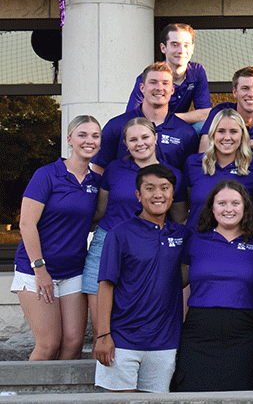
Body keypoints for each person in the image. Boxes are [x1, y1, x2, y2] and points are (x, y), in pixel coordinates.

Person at [84, 118, 187, 338]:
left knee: (135, 320)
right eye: (133, 139)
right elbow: (100, 211)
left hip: (146, 251)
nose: (140, 143)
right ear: (126, 144)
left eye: (145, 137)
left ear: (155, 138)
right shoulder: (114, 168)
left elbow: (178, 220)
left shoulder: (173, 175)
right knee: (102, 330)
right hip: (105, 245)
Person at [93, 164, 189, 393]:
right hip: (123, 340)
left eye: (164, 188)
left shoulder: (182, 236)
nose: (158, 194)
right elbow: (106, 286)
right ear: (138, 195)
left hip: (164, 342)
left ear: (172, 194)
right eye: (150, 188)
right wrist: (103, 335)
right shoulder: (119, 234)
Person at [11, 115, 101, 361]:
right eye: (82, 135)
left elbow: (97, 218)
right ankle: (27, 399)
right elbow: (26, 223)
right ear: (70, 139)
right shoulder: (48, 174)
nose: (89, 141)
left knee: (73, 343)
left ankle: (60, 398)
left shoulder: (96, 182)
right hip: (36, 268)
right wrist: (40, 269)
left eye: (95, 136)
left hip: (73, 270)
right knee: (49, 344)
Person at [173, 180, 253, 392]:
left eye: (235, 203)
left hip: (244, 331)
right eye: (222, 203)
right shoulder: (195, 240)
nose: (228, 209)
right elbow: (179, 281)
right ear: (212, 207)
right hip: (200, 330)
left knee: (241, 393)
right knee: (193, 392)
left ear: (245, 207)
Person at [93, 62, 199, 174]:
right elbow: (98, 170)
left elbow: (189, 179)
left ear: (172, 90)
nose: (159, 88)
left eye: (165, 83)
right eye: (153, 82)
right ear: (142, 88)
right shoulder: (116, 126)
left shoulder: (186, 133)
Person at [184, 108, 253, 231]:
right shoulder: (194, 163)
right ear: (212, 134)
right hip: (196, 242)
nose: (227, 137)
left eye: (233, 131)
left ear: (242, 135)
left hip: (238, 244)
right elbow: (185, 205)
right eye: (221, 131)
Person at [126, 23, 211, 127]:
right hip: (151, 128)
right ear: (163, 48)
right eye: (175, 45)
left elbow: (206, 114)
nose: (181, 51)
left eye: (186, 45)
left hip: (179, 128)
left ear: (192, 48)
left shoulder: (197, 71)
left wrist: (169, 118)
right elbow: (131, 117)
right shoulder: (148, 78)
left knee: (203, 127)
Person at [200, 66, 253, 163]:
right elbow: (203, 151)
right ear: (234, 92)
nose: (251, 94)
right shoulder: (221, 112)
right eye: (245, 88)